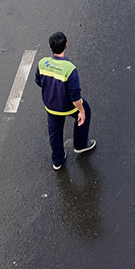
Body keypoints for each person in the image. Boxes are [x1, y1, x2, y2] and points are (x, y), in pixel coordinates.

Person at [35, 32, 96, 170]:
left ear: (51, 47)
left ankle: (57, 160)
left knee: (55, 133)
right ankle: (80, 145)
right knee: (85, 110)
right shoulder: (70, 69)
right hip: (67, 105)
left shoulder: (42, 63)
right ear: (66, 45)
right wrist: (81, 111)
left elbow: (39, 81)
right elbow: (75, 97)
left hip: (50, 105)